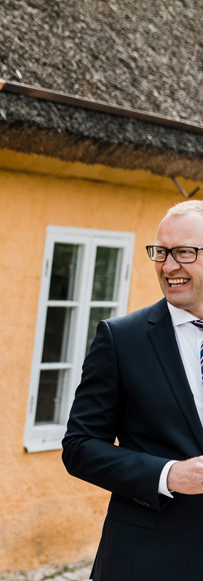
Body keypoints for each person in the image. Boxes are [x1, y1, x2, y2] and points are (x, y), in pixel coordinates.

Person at [63, 200, 203, 580]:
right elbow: (79, 447)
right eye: (161, 252)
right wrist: (168, 474)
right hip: (146, 561)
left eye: (185, 253)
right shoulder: (121, 339)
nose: (169, 266)